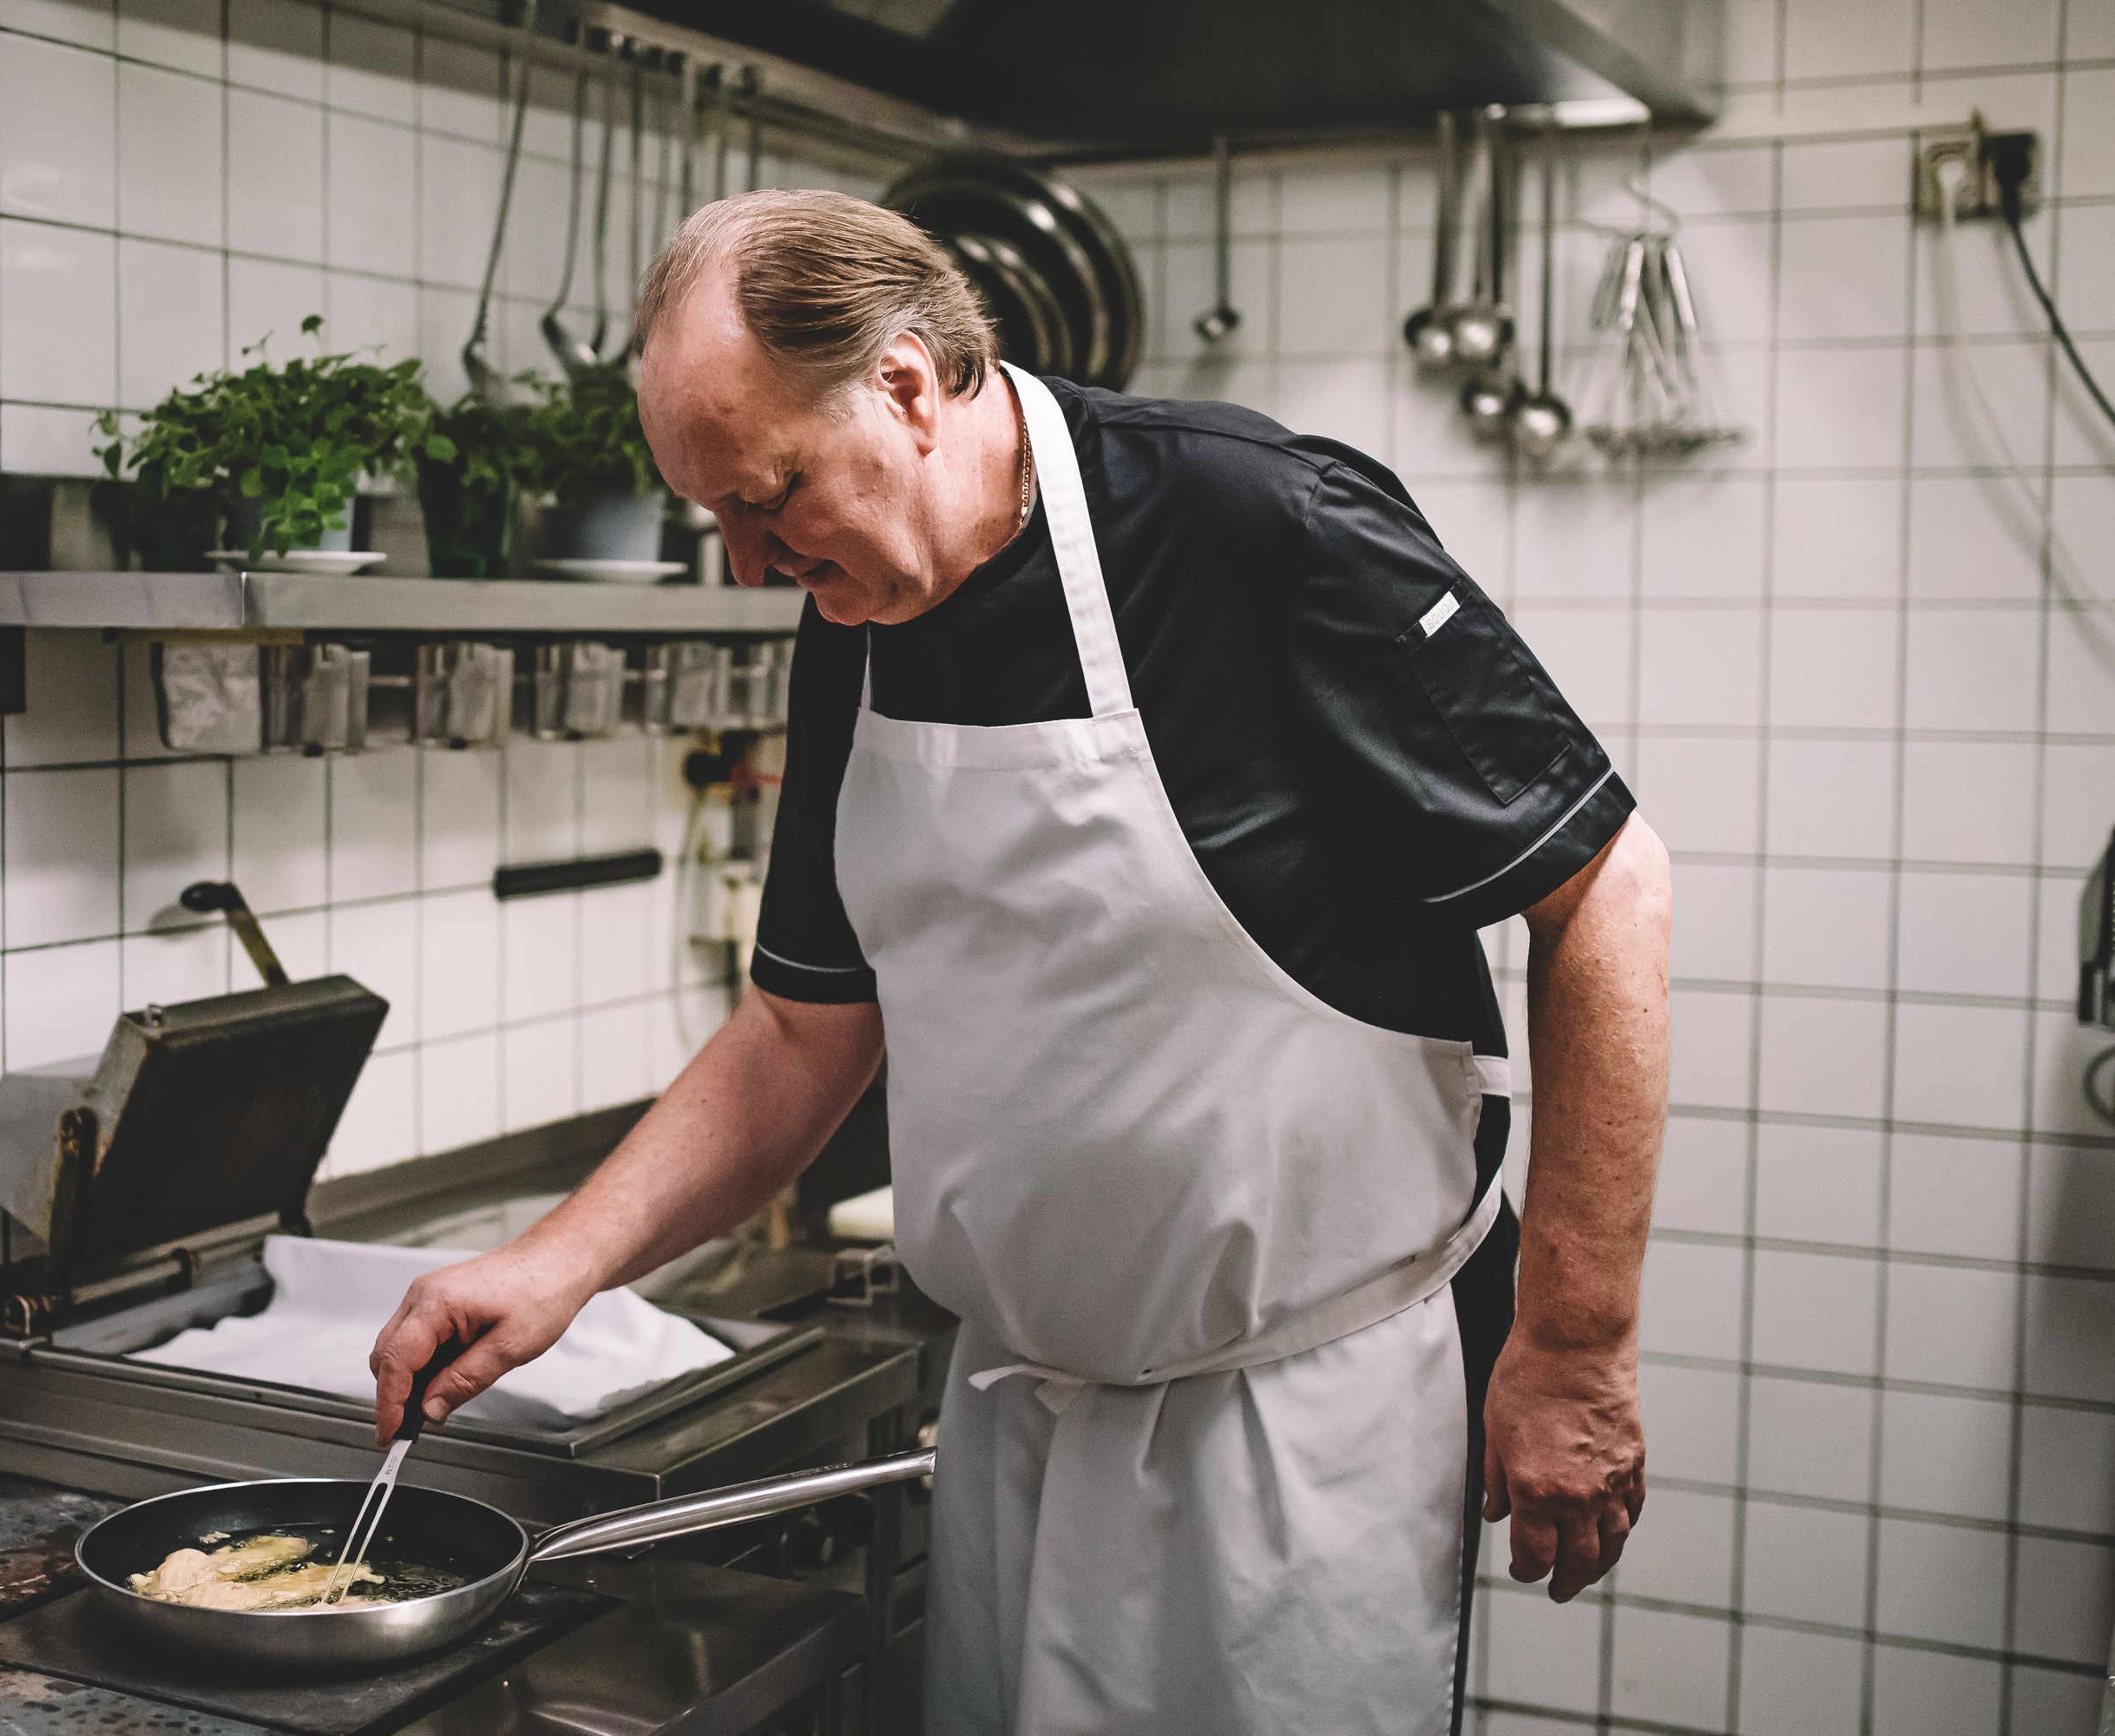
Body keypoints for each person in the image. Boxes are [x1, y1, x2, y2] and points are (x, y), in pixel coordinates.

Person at [371, 188, 1672, 1736]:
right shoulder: (852, 602)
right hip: (1016, 1429)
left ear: (908, 387)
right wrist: (558, 1263)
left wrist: (1575, 1343)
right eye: (714, 516)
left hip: (1303, 1431)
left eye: (765, 498)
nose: (745, 562)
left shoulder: (1254, 522)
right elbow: (804, 1025)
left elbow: (1608, 890)